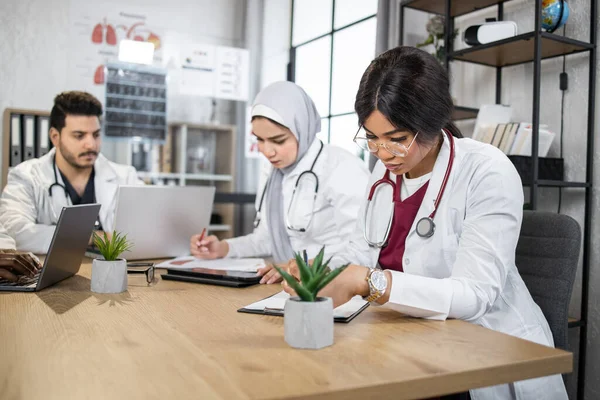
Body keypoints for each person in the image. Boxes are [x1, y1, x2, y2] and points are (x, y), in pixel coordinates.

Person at [283, 47, 567, 399]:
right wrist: (320, 270)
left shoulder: (486, 171)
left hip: (481, 350)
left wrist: (370, 282)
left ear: (432, 122)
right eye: (371, 138)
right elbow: (363, 249)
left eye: (397, 139)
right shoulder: (384, 172)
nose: (383, 153)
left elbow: (473, 296)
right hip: (402, 338)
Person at [190, 81, 369, 284]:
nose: (268, 151)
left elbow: (363, 251)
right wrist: (224, 248)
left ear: (303, 128)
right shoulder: (273, 172)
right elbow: (267, 238)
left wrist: (304, 267)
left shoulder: (341, 168)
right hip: (286, 284)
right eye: (260, 139)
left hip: (334, 286)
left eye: (278, 140)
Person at [0, 91, 142, 254]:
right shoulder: (27, 176)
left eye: (95, 135)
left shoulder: (126, 177)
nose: (90, 144)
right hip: (58, 277)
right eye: (79, 136)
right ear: (55, 137)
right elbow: (15, 233)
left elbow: (146, 232)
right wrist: (94, 237)